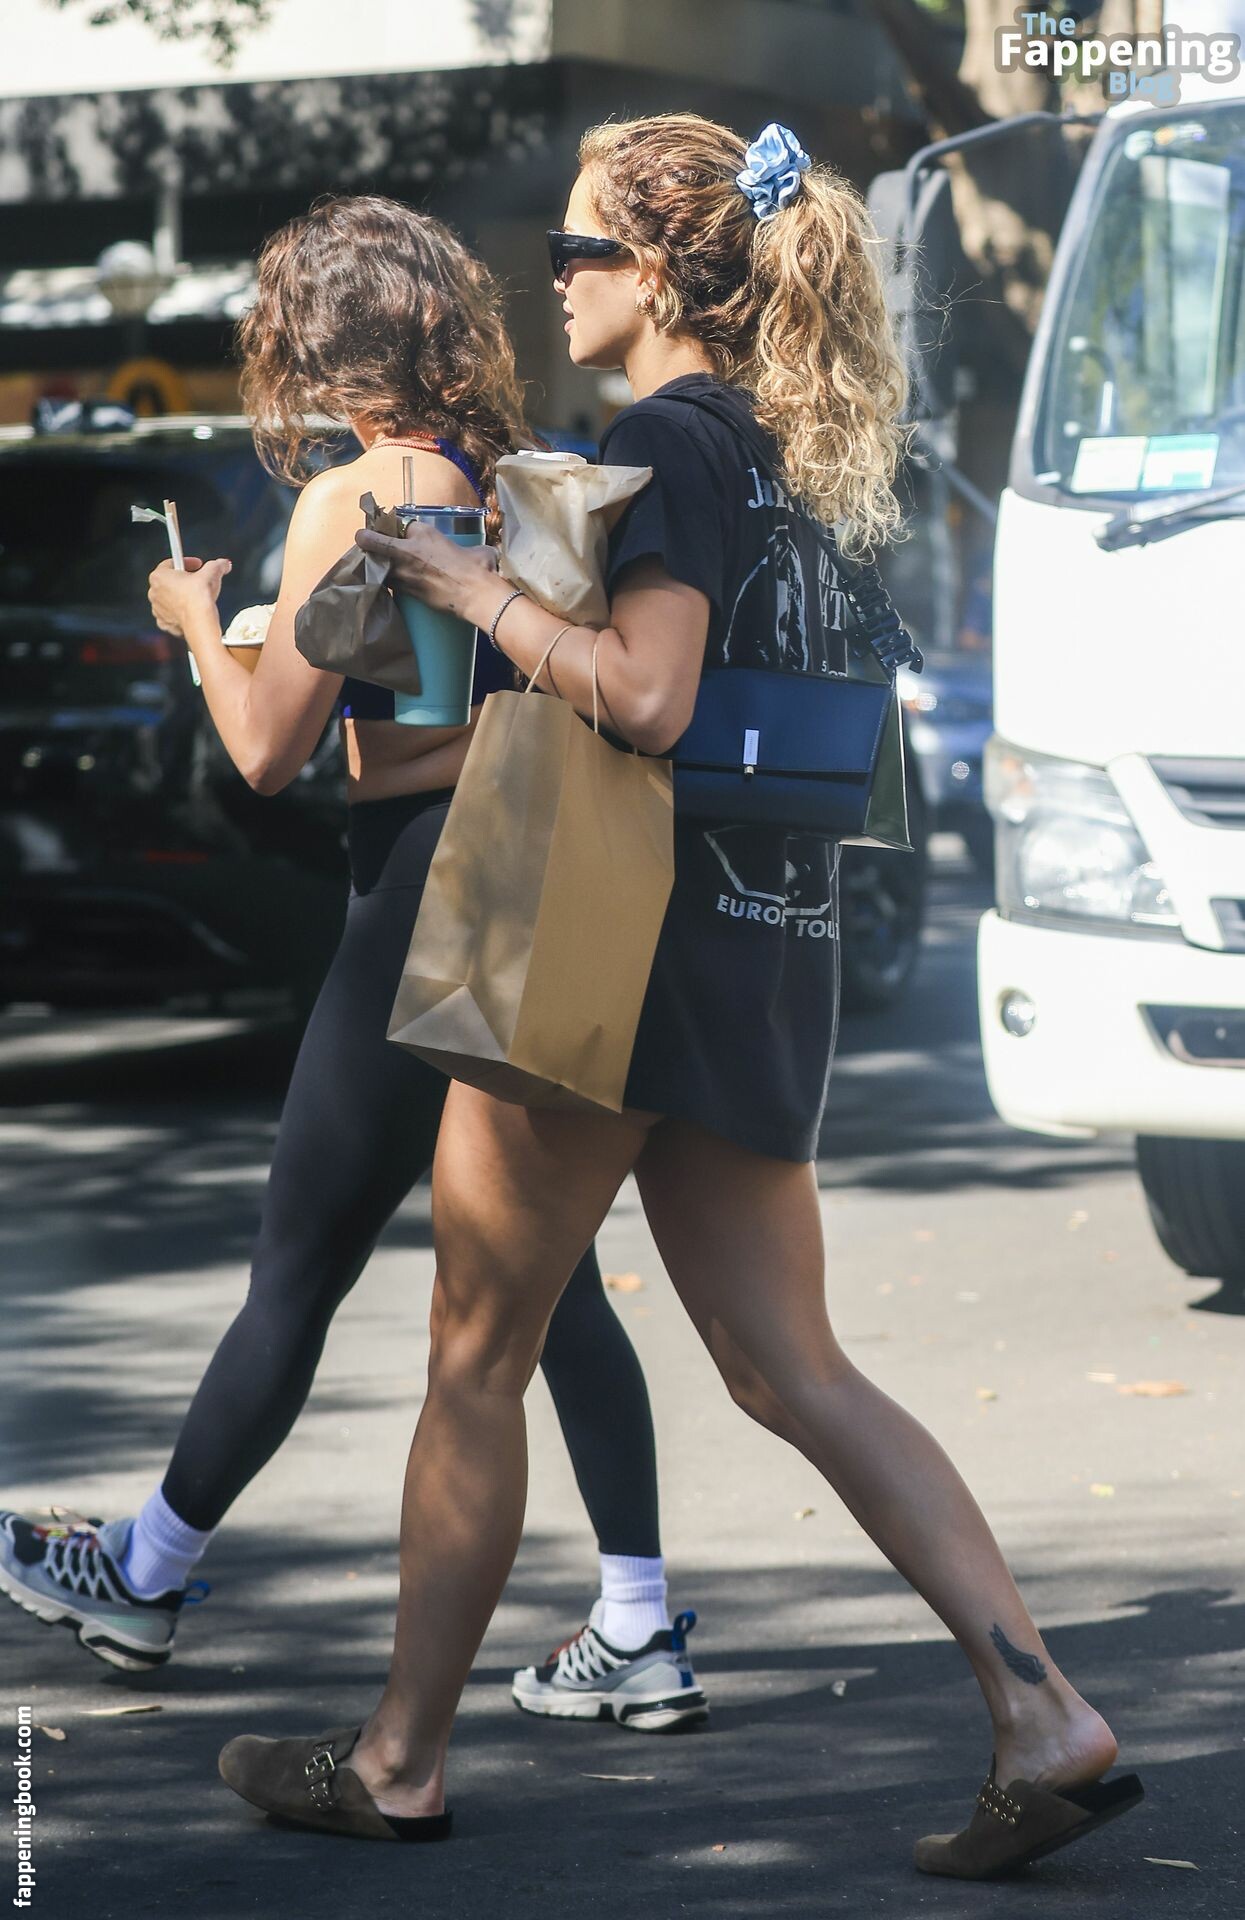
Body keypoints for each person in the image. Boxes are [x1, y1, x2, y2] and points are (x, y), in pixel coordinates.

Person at [218, 119, 1143, 1876]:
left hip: (608, 944)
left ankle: (398, 1760)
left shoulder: (666, 437)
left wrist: (470, 587)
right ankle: (1040, 1711)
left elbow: (644, 698)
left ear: (652, 274)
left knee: (475, 1352)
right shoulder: (793, 445)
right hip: (759, 944)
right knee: (792, 1364)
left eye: (577, 252)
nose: (551, 280)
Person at [0, 195, 708, 1736]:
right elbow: (451, 719)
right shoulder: (503, 475)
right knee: (548, 1274)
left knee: (300, 1265)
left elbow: (268, 751)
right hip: (528, 873)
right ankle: (639, 1616)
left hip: (407, 902)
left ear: (319, 346)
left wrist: (199, 623)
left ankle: (145, 1572)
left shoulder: (355, 494)